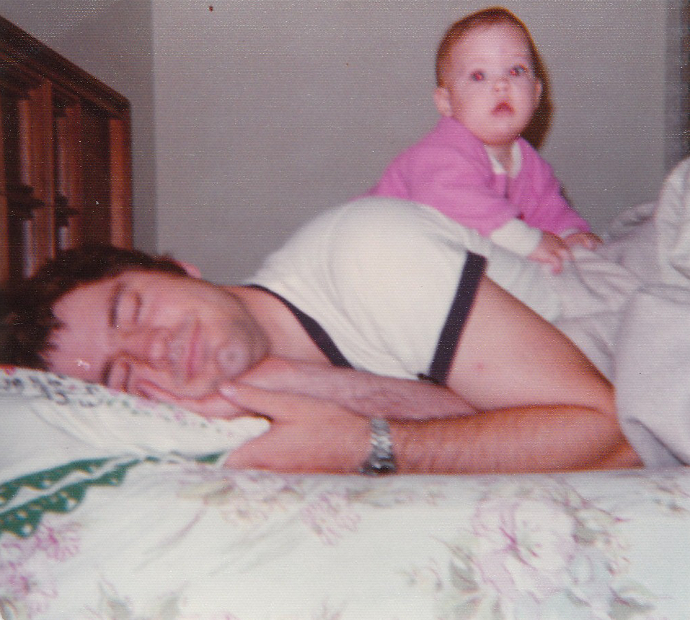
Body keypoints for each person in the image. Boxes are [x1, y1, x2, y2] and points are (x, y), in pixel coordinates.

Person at [1, 197, 640, 474]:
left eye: (132, 309)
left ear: (178, 267)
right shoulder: (251, 402)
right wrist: (295, 383)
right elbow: (488, 419)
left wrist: (369, 446)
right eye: (121, 375)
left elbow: (615, 435)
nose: (151, 349)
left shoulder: (367, 253)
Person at [367, 7, 599, 273]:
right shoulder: (442, 152)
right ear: (446, 102)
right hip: (365, 242)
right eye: (479, 76)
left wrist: (570, 235)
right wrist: (527, 242)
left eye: (516, 70)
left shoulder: (532, 167)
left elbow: (549, 210)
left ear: (536, 94)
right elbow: (456, 200)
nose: (501, 85)